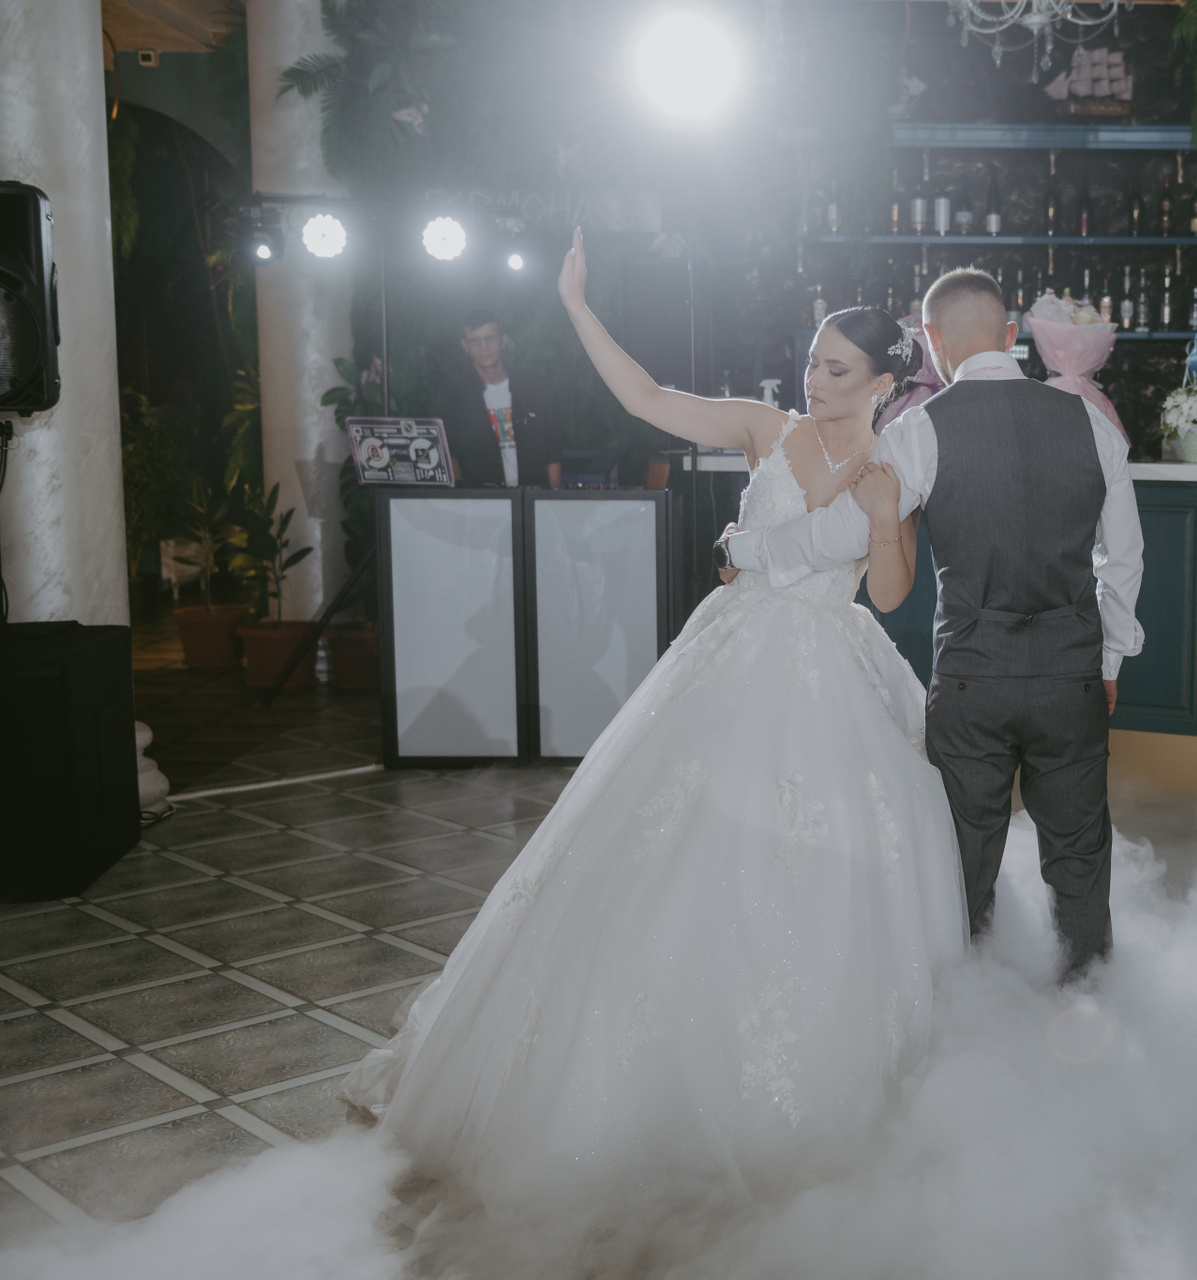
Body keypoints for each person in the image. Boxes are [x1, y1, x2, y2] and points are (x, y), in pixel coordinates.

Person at [342, 229, 967, 1264]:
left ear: (883, 382)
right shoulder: (766, 427)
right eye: (812, 361)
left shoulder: (890, 464)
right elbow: (644, 397)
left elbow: (893, 593)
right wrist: (576, 305)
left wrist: (885, 515)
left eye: (836, 369)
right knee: (664, 851)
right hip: (732, 657)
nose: (814, 380)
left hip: (830, 666)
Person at [724, 267, 1145, 979]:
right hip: (1070, 674)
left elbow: (837, 537)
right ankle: (1089, 997)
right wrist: (1107, 661)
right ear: (1010, 336)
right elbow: (1125, 559)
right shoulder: (1092, 424)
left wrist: (743, 549)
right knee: (1079, 849)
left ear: (931, 339)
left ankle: (965, 1004)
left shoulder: (919, 429)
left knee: (962, 856)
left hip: (973, 678)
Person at [435, 307, 561, 488]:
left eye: (490, 338)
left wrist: (553, 497)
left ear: (503, 341)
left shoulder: (534, 387)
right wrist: (462, 498)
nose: (484, 347)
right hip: (480, 499)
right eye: (475, 340)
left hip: (531, 495)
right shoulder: (453, 395)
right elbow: (449, 454)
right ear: (465, 346)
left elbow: (552, 451)